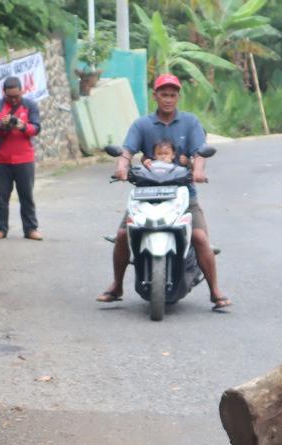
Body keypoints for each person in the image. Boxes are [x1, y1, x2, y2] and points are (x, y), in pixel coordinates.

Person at [97, 74, 230, 310]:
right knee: (121, 235)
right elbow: (127, 151)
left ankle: (215, 291)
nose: (168, 99)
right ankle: (117, 286)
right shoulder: (142, 125)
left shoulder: (190, 122)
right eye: (163, 94)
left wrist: (198, 171)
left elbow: (200, 152)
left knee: (200, 238)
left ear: (178, 97)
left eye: (172, 95)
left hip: (183, 193)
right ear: (155, 96)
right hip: (146, 193)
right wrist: (121, 167)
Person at [0, 76, 42, 240]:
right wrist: (0, 127)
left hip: (24, 159)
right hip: (2, 160)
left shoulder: (30, 106)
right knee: (1, 196)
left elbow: (36, 128)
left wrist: (22, 125)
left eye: (17, 96)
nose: (14, 99)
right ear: (4, 93)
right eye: (10, 97)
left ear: (22, 91)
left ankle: (31, 229)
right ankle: (0, 229)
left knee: (27, 196)